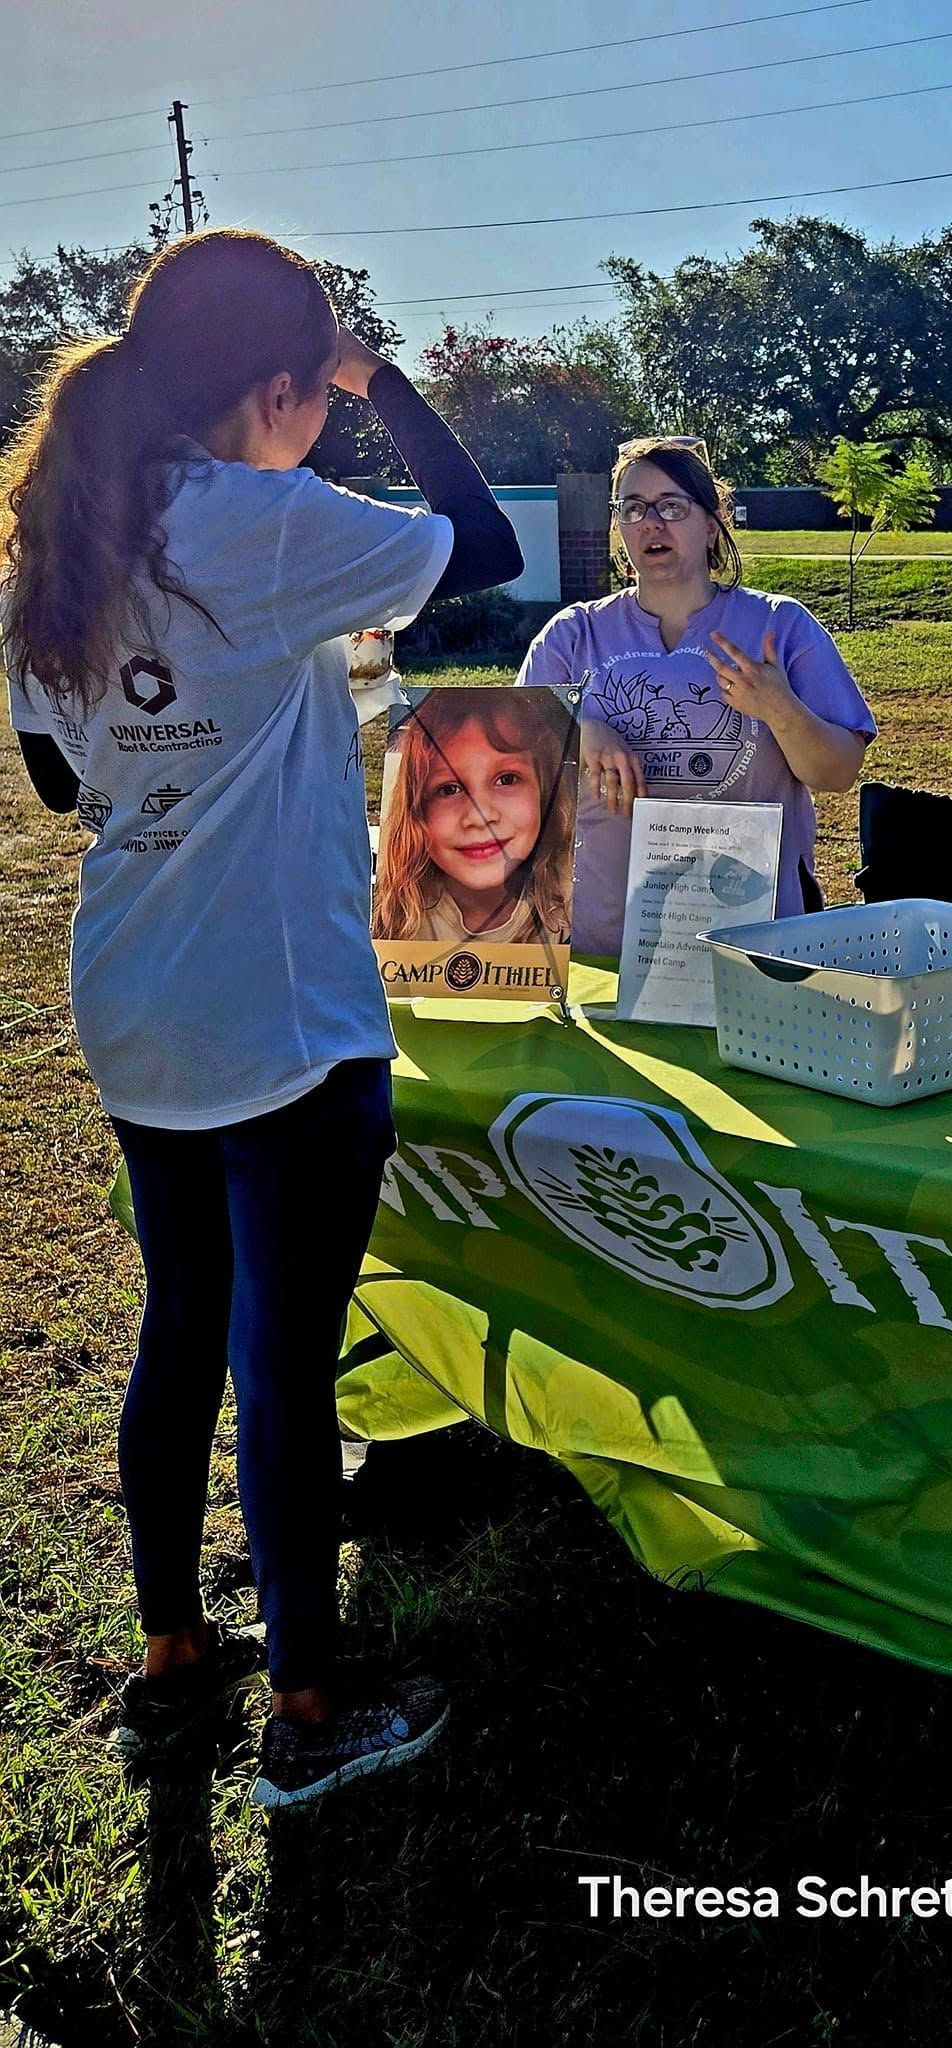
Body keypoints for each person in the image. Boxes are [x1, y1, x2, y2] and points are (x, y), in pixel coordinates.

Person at [1, 228, 523, 1802]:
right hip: (282, 1011)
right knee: (282, 1364)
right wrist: (392, 386)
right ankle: (305, 1716)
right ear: (285, 390)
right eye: (313, 394)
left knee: (178, 1330)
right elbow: (485, 545)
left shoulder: (63, 534)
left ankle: (174, 1656)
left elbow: (55, 778)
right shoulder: (263, 520)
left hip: (136, 994)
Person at [515, 436, 874, 955]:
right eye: (633, 507)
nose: (651, 522)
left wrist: (779, 708)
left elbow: (837, 774)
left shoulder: (779, 625)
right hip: (600, 939)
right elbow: (514, 761)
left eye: (672, 505)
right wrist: (578, 729)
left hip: (753, 939)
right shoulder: (572, 635)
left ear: (711, 524)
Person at [373, 689, 577, 948]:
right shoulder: (399, 912)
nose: (480, 818)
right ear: (416, 811)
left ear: (545, 790)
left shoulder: (570, 897)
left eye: (507, 779)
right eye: (449, 789)